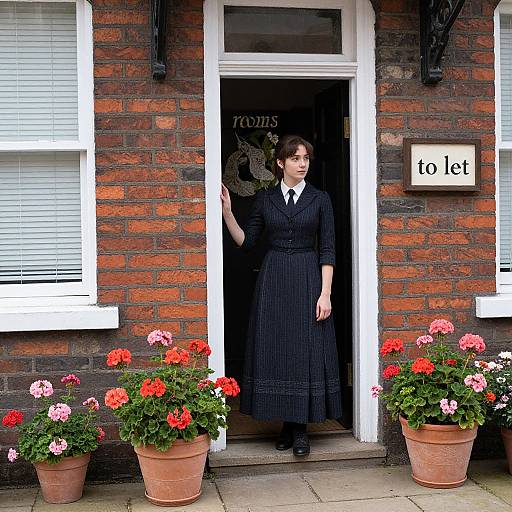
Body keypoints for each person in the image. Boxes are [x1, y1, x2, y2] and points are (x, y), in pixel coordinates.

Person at [221, 134, 342, 456]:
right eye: (295, 159)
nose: (302, 164)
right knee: (279, 350)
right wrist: (228, 212)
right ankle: (287, 425)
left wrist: (325, 293)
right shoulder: (265, 198)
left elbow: (328, 249)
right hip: (274, 280)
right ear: (280, 163)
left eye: (305, 159)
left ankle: (299, 430)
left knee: (304, 351)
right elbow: (247, 243)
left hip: (307, 276)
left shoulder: (320, 199)